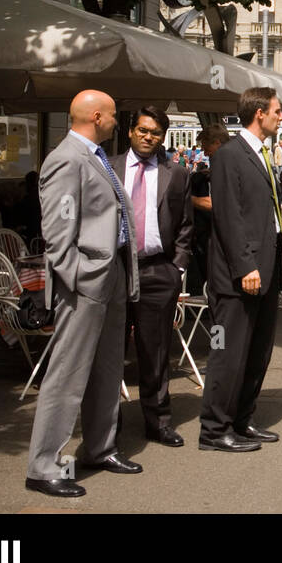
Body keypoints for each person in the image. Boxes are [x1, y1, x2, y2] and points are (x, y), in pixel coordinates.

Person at [25, 90, 142, 498]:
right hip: (87, 283)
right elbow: (57, 233)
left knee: (108, 369)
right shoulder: (66, 158)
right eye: (112, 115)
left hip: (111, 278)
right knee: (67, 375)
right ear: (96, 116)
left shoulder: (93, 156)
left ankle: (99, 447)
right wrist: (79, 276)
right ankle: (43, 466)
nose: (116, 122)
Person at [199, 87, 282, 453]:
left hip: (267, 270)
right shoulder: (229, 156)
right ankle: (214, 430)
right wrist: (245, 265)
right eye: (277, 111)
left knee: (257, 351)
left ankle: (243, 419)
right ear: (259, 113)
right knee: (229, 352)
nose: (281, 117)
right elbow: (229, 217)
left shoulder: (263, 153)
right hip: (239, 275)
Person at [111, 105, 193, 449]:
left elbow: (187, 224)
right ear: (131, 131)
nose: (148, 137)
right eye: (143, 130)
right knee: (110, 350)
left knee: (155, 351)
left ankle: (157, 422)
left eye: (155, 133)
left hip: (159, 270)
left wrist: (177, 267)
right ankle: (106, 426)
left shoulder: (176, 173)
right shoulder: (109, 167)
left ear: (163, 137)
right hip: (115, 269)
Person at [188, 123, 229, 294]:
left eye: (207, 148)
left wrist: (188, 199)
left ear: (218, 143)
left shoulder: (230, 165)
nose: (204, 153)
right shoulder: (222, 163)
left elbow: (218, 204)